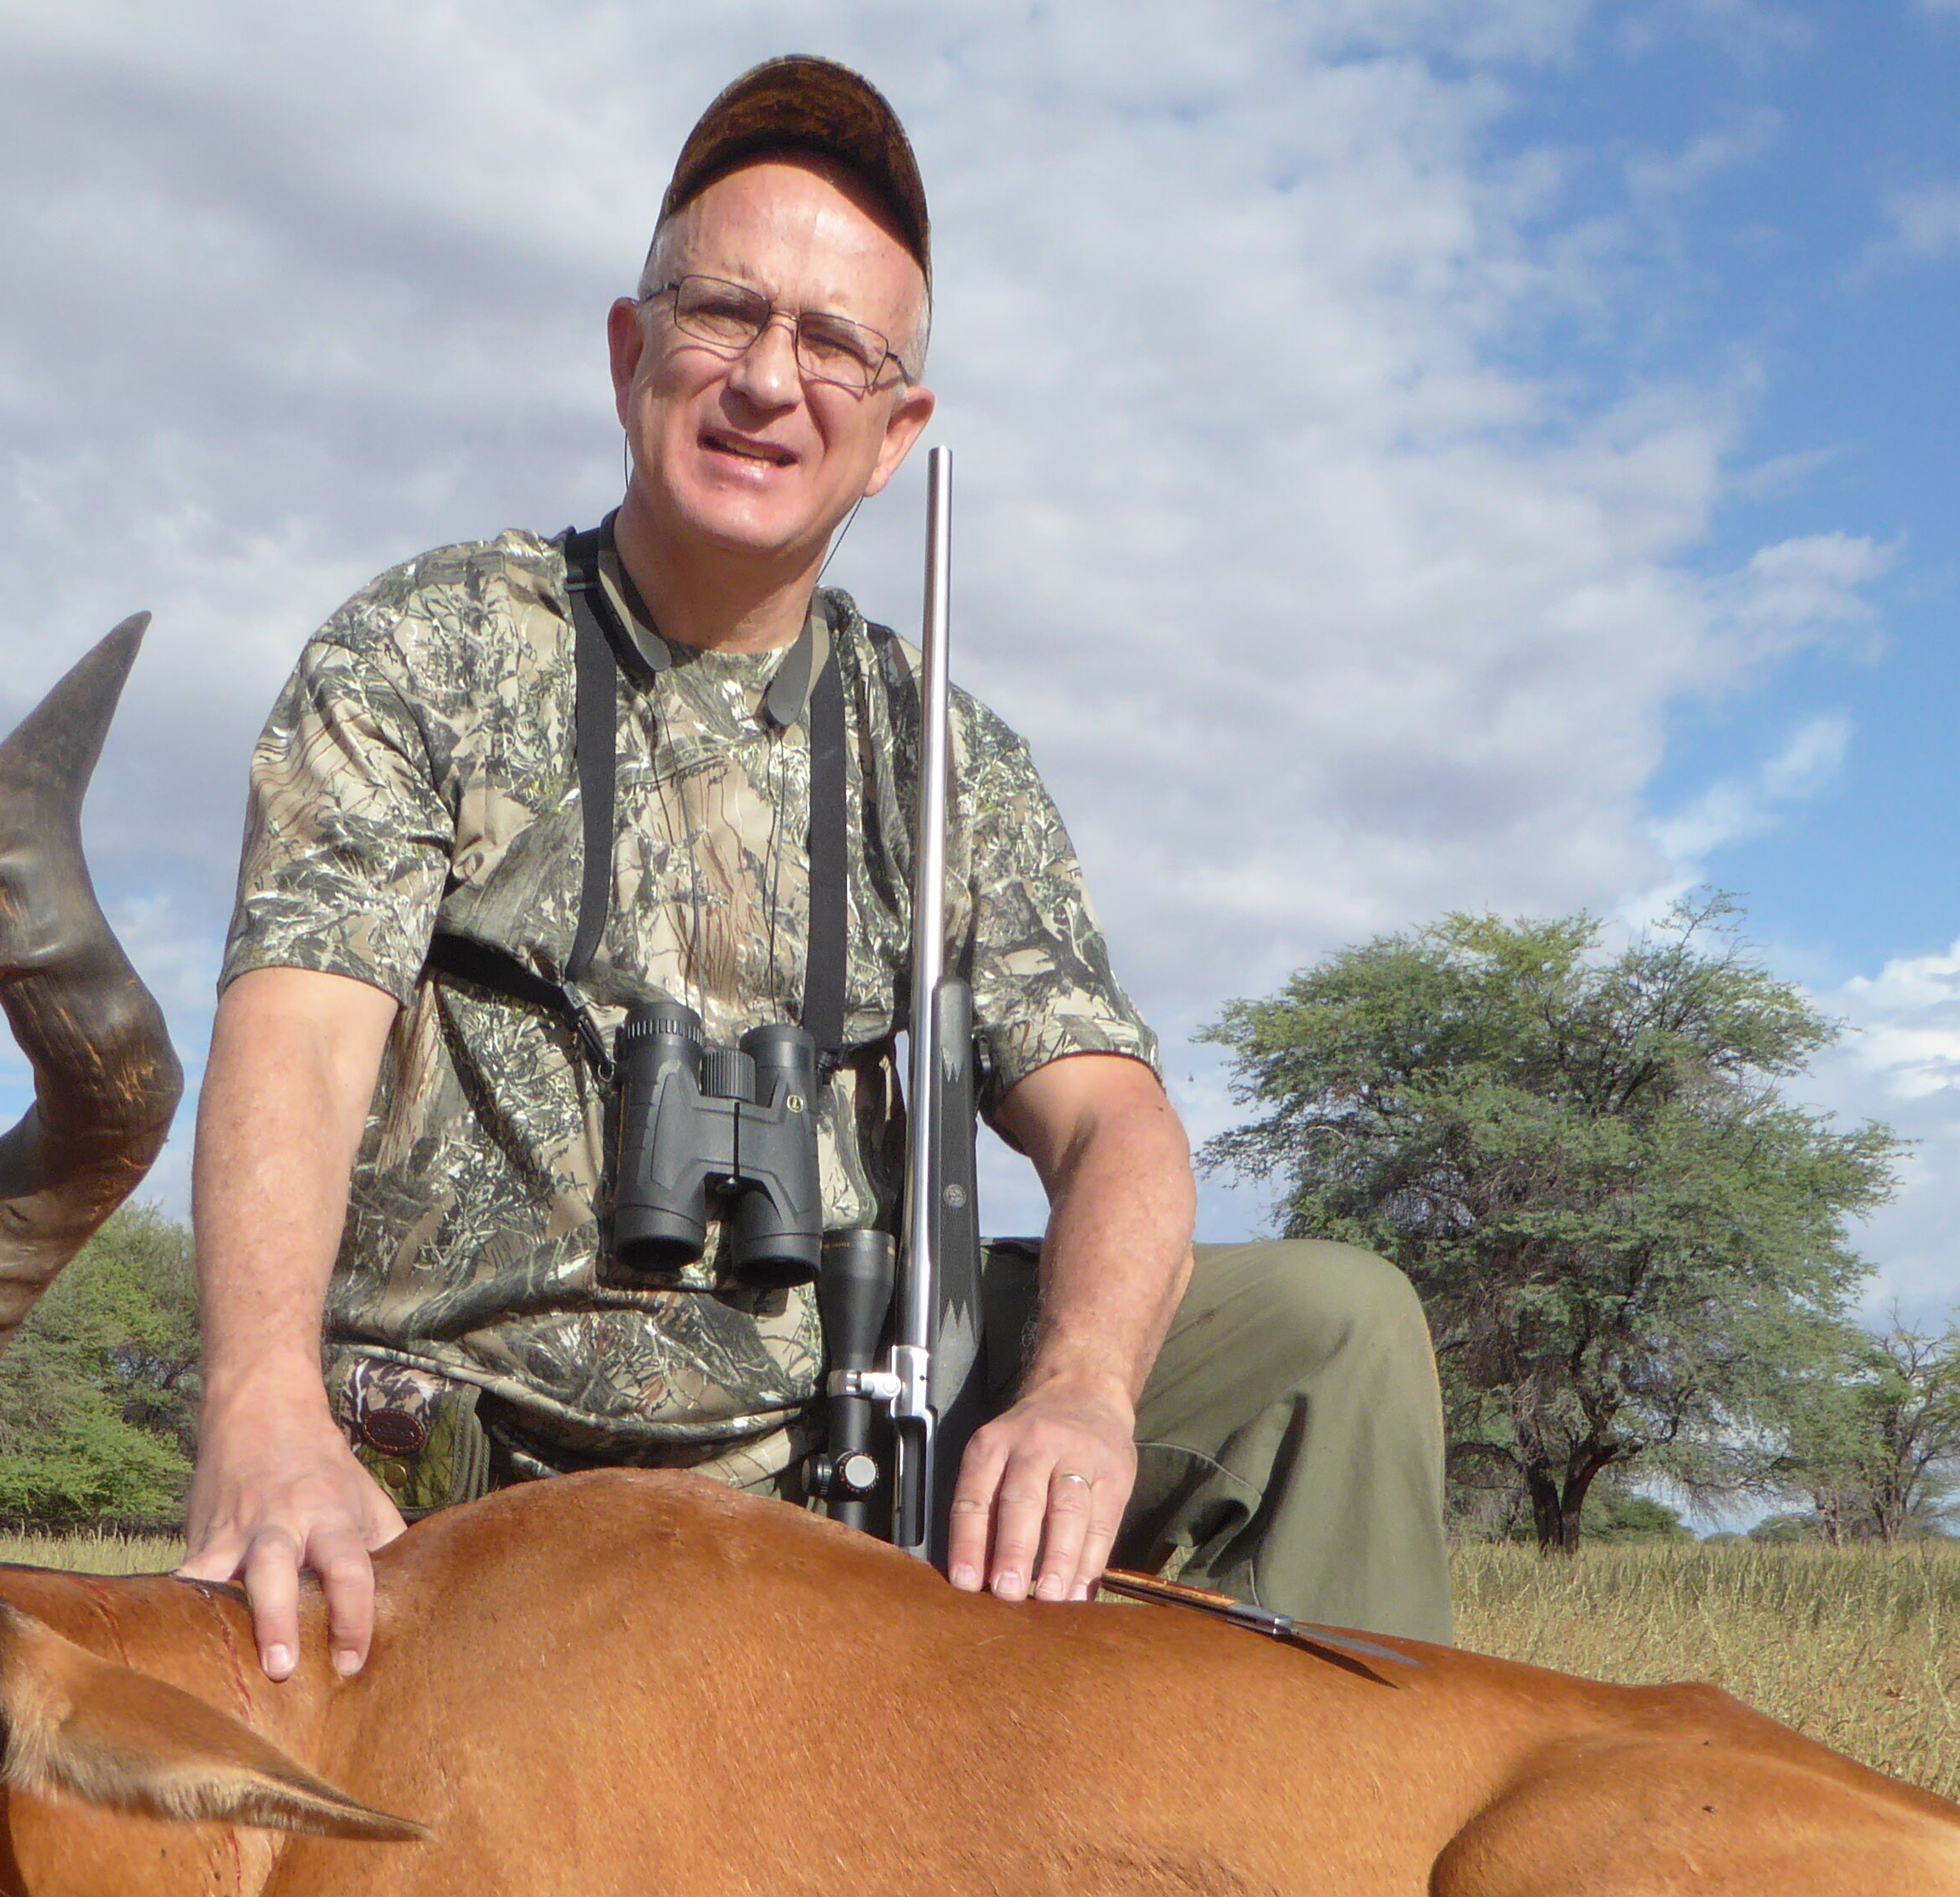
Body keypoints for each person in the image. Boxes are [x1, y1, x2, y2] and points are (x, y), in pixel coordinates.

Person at [180, 54, 1453, 1680]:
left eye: (837, 345)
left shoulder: (947, 749)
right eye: (724, 314)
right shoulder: (423, 646)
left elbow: (1115, 1120)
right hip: (481, 1441)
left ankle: (1333, 1893)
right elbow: (296, 1023)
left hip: (831, 1438)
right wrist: (261, 1401)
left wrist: (1076, 1393)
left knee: (1332, 1332)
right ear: (633, 353)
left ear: (897, 431)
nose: (770, 381)